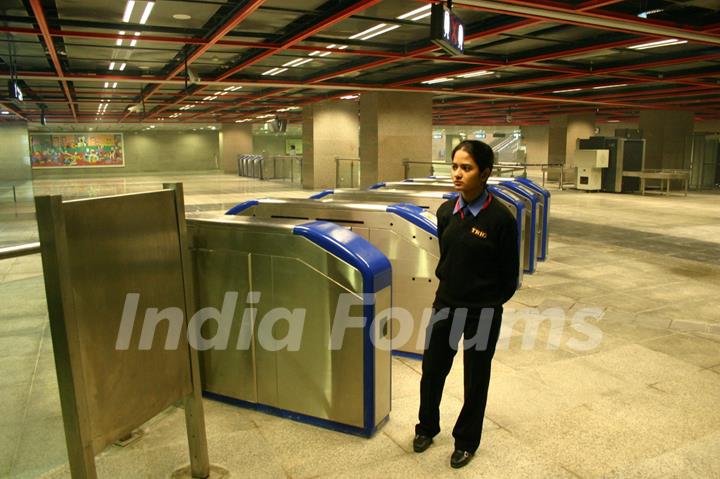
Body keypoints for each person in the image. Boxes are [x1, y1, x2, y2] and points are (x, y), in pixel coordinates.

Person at [413, 140, 519, 468]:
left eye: (467, 168)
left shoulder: (501, 220)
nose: (457, 174)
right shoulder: (447, 212)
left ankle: (466, 441)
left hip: (483, 311)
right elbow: (448, 258)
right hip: (446, 304)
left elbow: (509, 277)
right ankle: (427, 427)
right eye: (455, 167)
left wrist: (486, 302)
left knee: (475, 377)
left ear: (485, 173)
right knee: (432, 370)